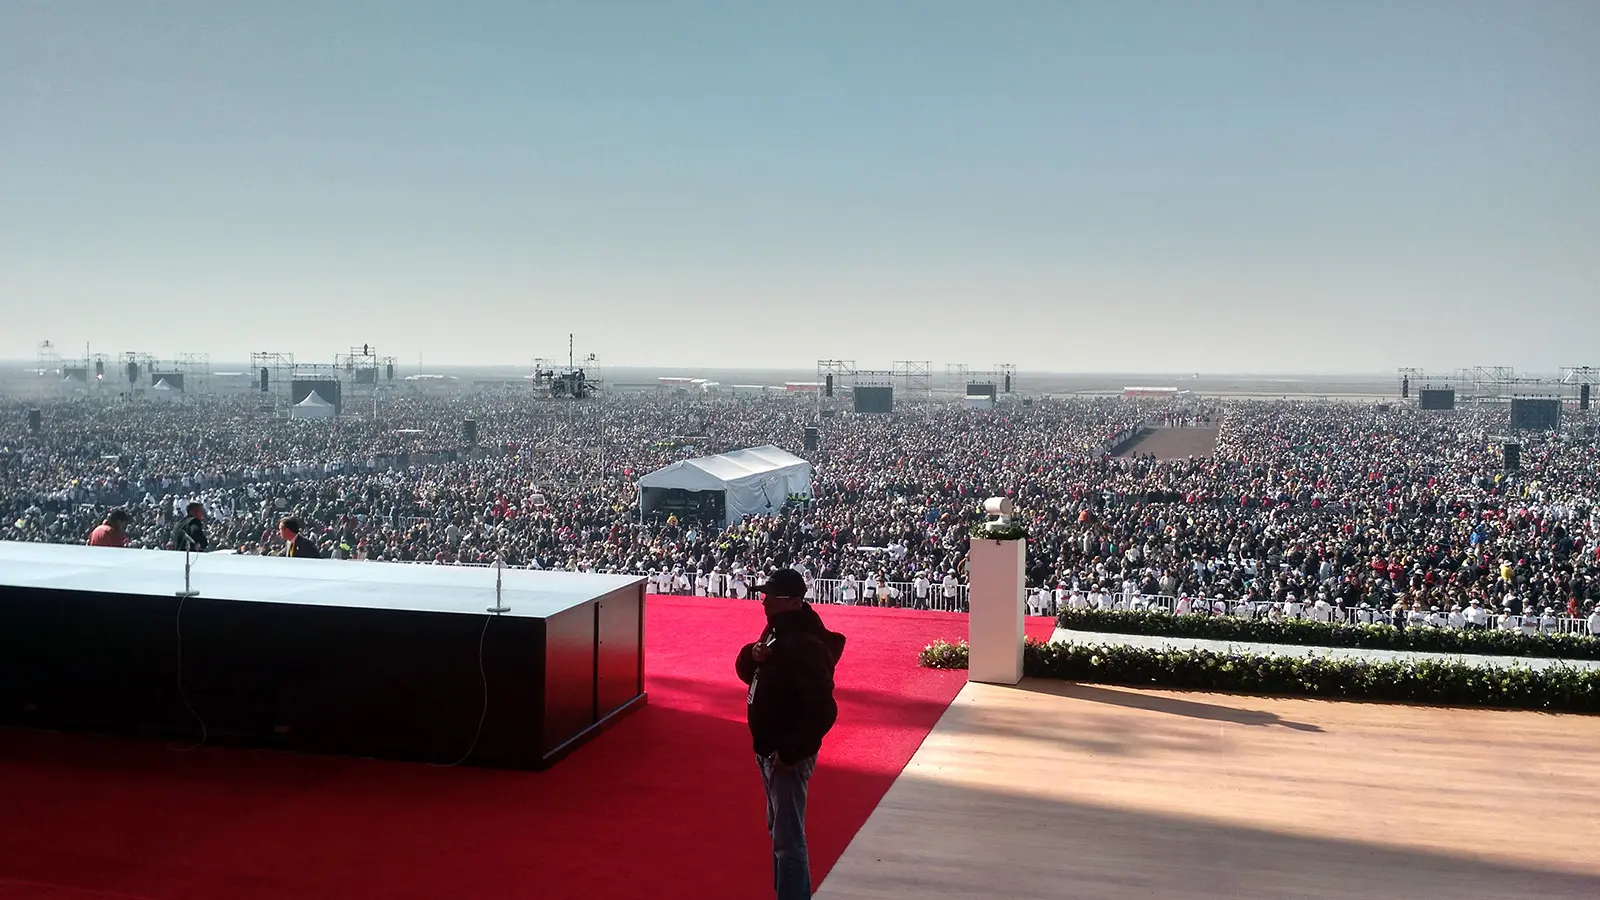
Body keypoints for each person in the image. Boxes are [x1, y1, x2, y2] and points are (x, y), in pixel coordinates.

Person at [735, 568, 846, 900]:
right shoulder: (777, 631)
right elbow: (751, 675)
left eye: (771, 596)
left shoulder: (804, 645)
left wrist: (790, 751)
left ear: (794, 602)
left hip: (784, 756)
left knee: (788, 840)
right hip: (770, 750)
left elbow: (823, 709)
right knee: (780, 832)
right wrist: (750, 656)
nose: (763, 601)